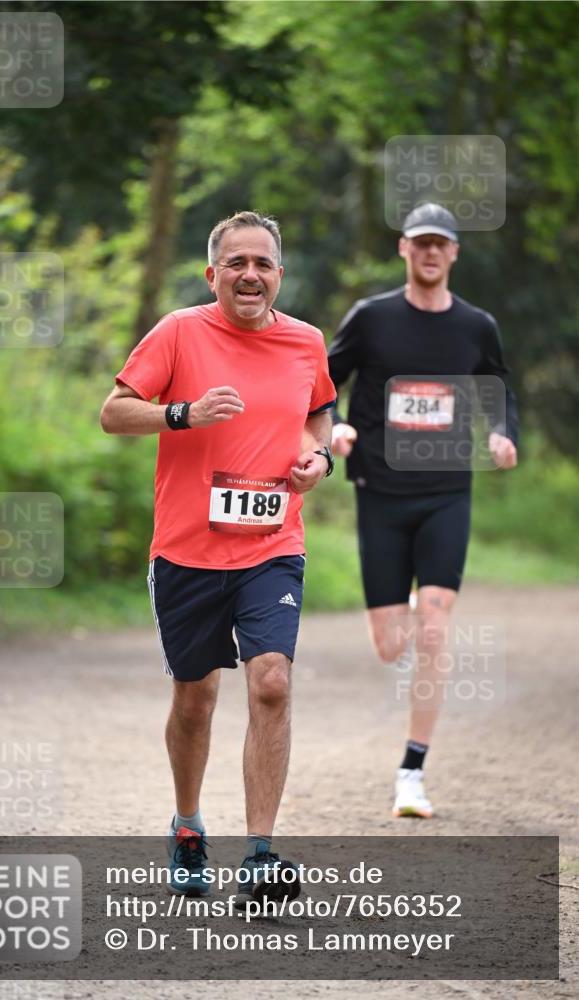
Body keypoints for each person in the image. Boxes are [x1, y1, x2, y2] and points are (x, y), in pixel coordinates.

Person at [101, 211, 336, 902]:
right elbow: (114, 411)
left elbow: (319, 410)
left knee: (271, 682)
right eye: (235, 262)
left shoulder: (305, 342)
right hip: (186, 552)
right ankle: (186, 827)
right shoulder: (178, 332)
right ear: (212, 275)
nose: (249, 274)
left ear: (278, 276)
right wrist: (182, 414)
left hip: (272, 545)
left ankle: (260, 856)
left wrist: (316, 456)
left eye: (261, 263)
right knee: (195, 699)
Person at [328, 202, 519, 818]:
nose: (431, 252)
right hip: (379, 492)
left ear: (455, 253)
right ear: (404, 250)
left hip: (445, 492)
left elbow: (501, 389)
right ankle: (410, 607)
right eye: (421, 243)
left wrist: (501, 432)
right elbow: (320, 384)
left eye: (442, 243)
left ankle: (412, 771)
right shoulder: (372, 318)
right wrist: (333, 430)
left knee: (434, 632)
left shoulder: (476, 326)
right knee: (390, 646)